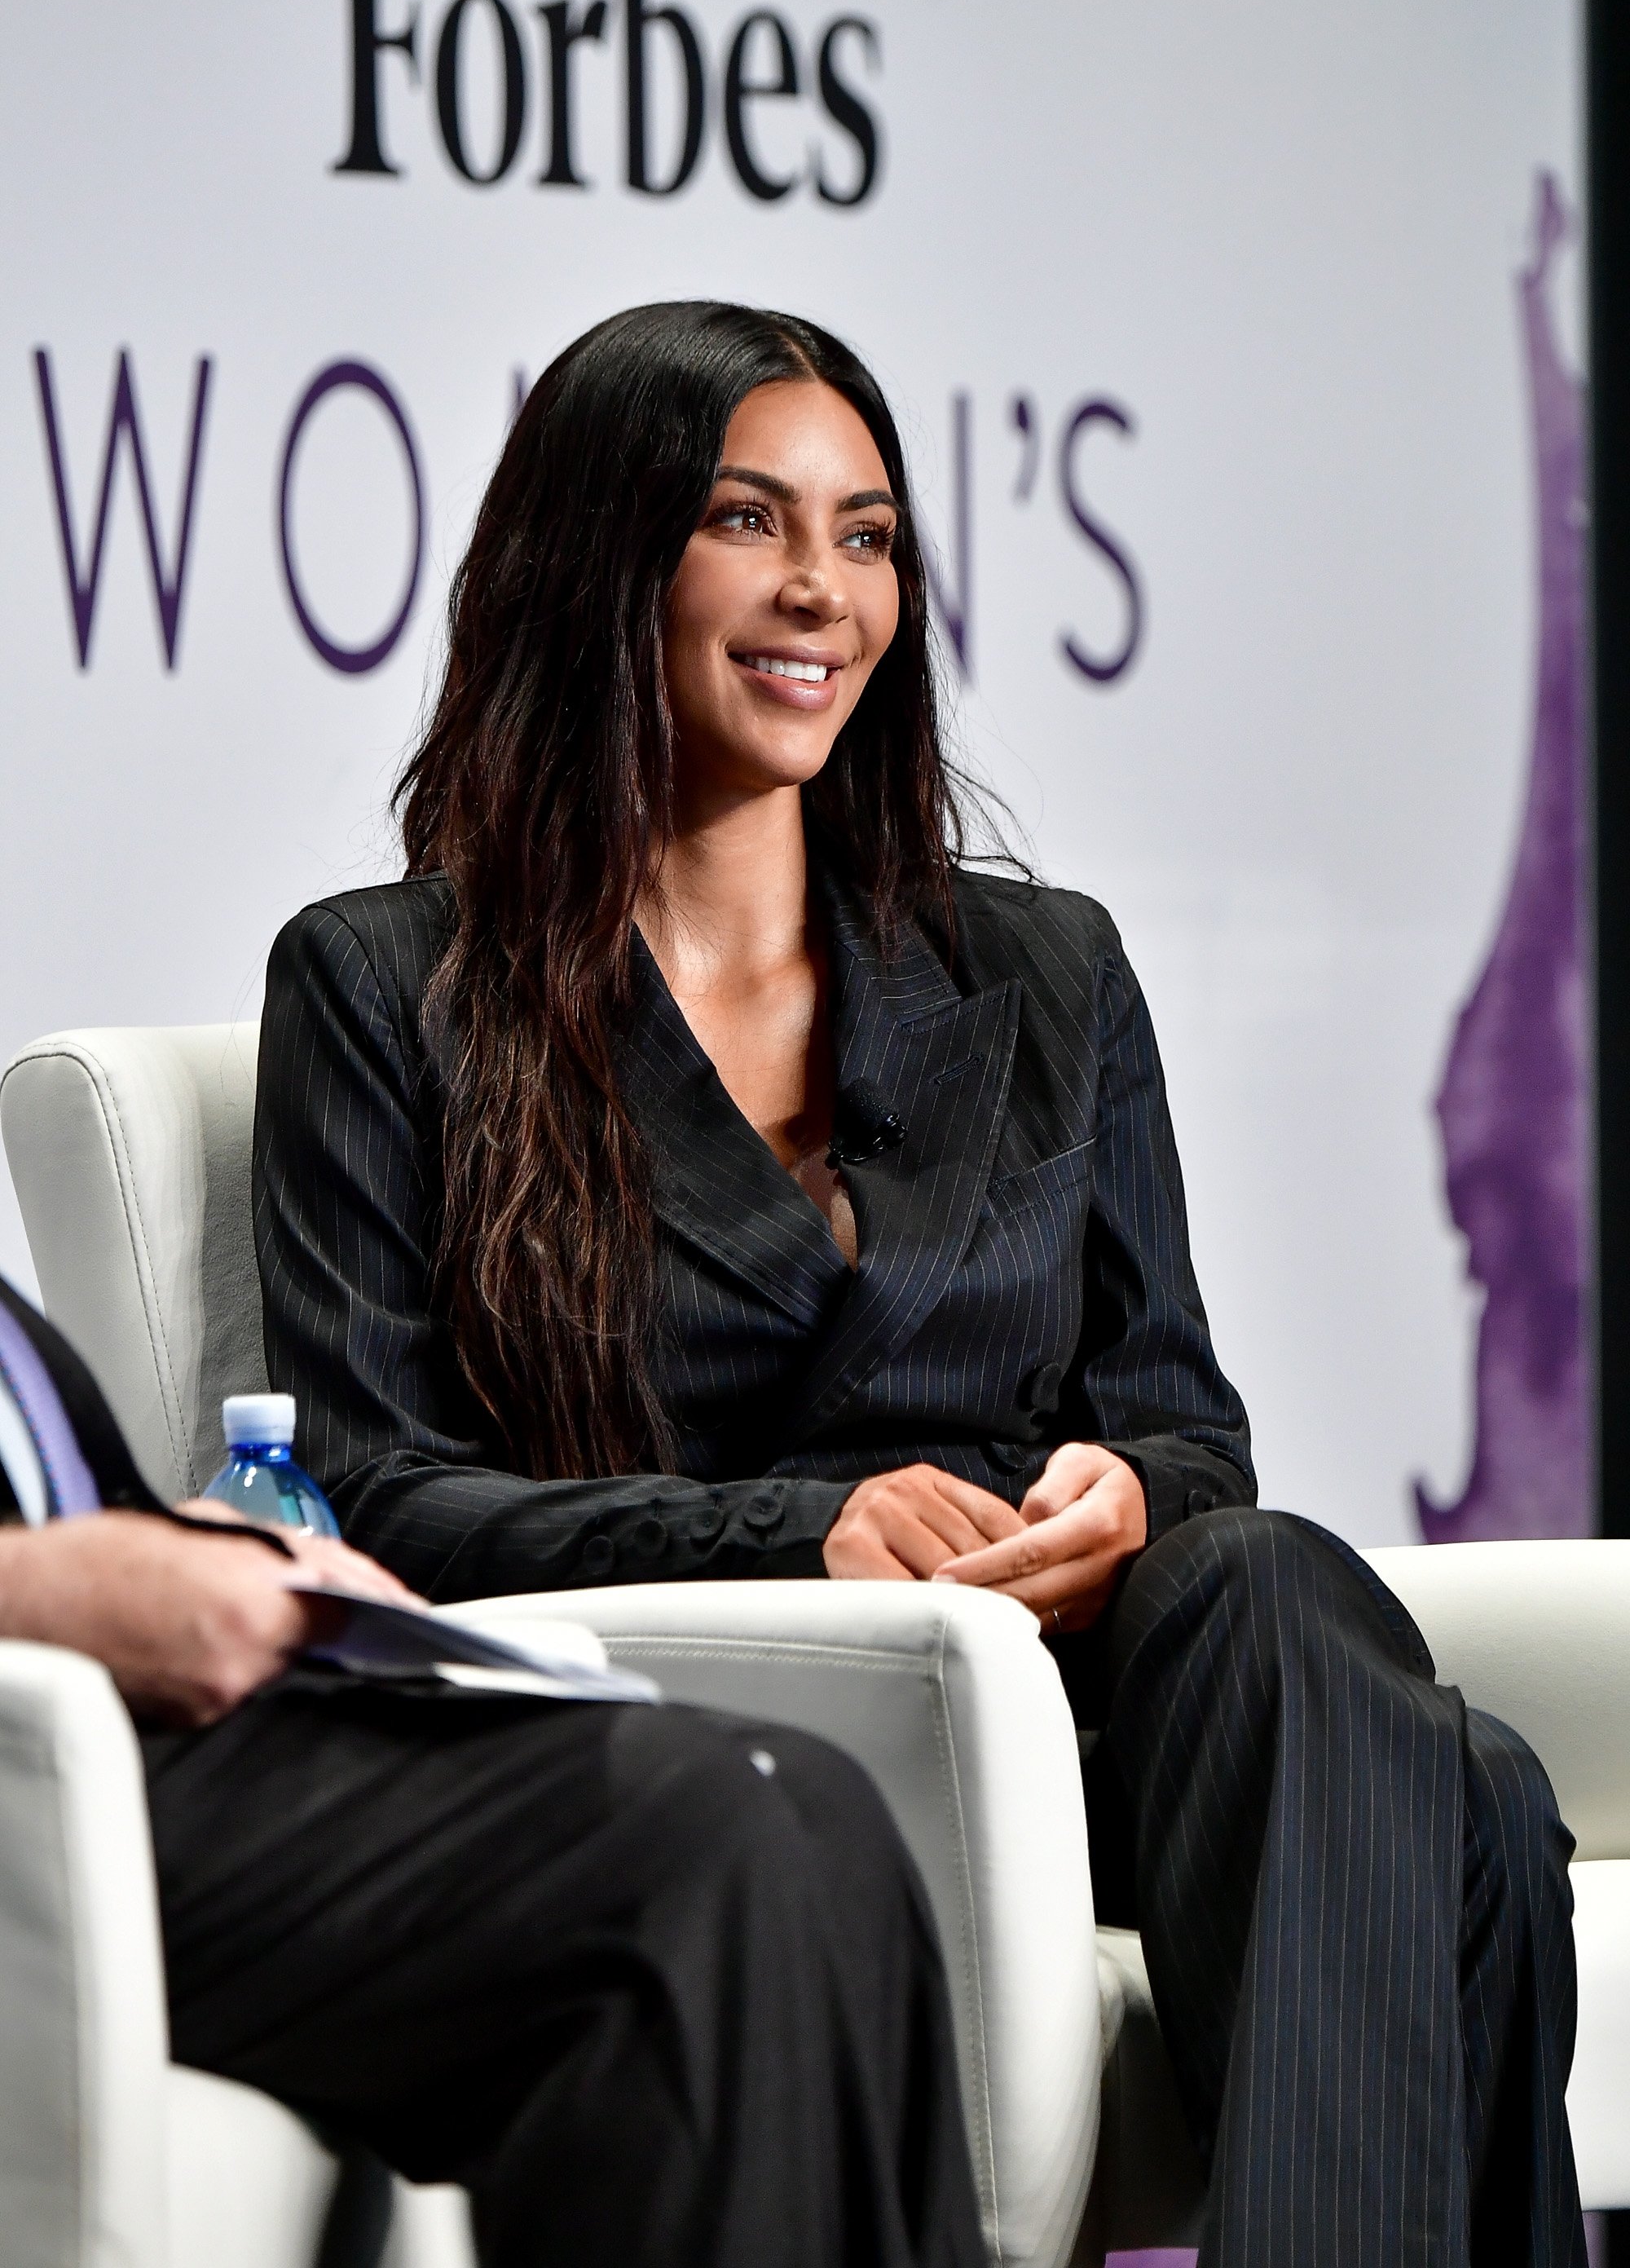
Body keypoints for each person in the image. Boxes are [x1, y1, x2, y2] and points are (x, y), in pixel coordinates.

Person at [256, 299, 1586, 2268]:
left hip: (1117, 1730)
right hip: (753, 1733)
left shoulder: (1047, 970)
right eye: (749, 520)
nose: (823, 587)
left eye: (868, 532)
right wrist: (812, 1537)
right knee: (1461, 1805)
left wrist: (1129, 1497)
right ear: (597, 559)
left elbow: (1181, 1423)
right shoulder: (388, 987)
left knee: (1253, 1567)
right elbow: (374, 1498)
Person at [0, 1270, 984, 2268]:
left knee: (822, 1805)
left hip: (146, 1731)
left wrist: (177, 1540)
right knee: (677, 1846)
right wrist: (60, 1582)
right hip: (49, 1771)